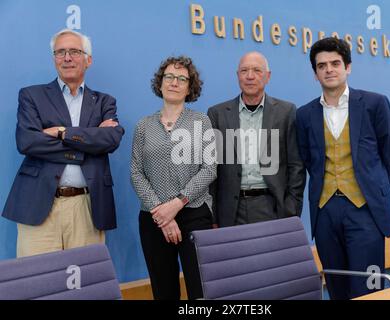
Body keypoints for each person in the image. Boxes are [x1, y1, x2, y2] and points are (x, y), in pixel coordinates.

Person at [2, 29, 124, 257]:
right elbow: (28, 142)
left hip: (87, 207)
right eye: (60, 52)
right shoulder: (31, 95)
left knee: (84, 285)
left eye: (75, 51)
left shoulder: (104, 102)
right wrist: (87, 145)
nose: (67, 58)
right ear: (54, 58)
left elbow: (111, 139)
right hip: (38, 205)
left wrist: (62, 132)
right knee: (38, 283)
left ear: (88, 60)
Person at [296, 37, 390, 299]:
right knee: (337, 286)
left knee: (371, 288)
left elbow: (389, 155)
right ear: (315, 73)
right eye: (322, 65)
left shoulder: (375, 104)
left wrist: (372, 190)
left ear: (348, 67)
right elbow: (309, 160)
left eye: (335, 63)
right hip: (326, 212)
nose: (329, 69)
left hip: (365, 211)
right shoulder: (305, 114)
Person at [130, 56, 216, 300]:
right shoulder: (144, 126)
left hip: (194, 214)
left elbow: (210, 169)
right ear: (160, 83)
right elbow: (136, 171)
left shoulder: (201, 121)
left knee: (201, 291)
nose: (174, 82)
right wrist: (162, 213)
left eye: (182, 79)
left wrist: (177, 203)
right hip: (153, 218)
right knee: (163, 290)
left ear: (190, 87)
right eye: (169, 77)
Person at [208, 51, 305, 227]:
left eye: (257, 70)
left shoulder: (286, 111)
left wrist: (291, 209)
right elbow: (211, 169)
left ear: (268, 76)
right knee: (236, 256)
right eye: (244, 70)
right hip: (230, 211)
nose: (250, 76)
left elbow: (296, 166)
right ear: (238, 76)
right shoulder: (217, 114)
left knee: (272, 256)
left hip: (272, 207)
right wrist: (213, 216)